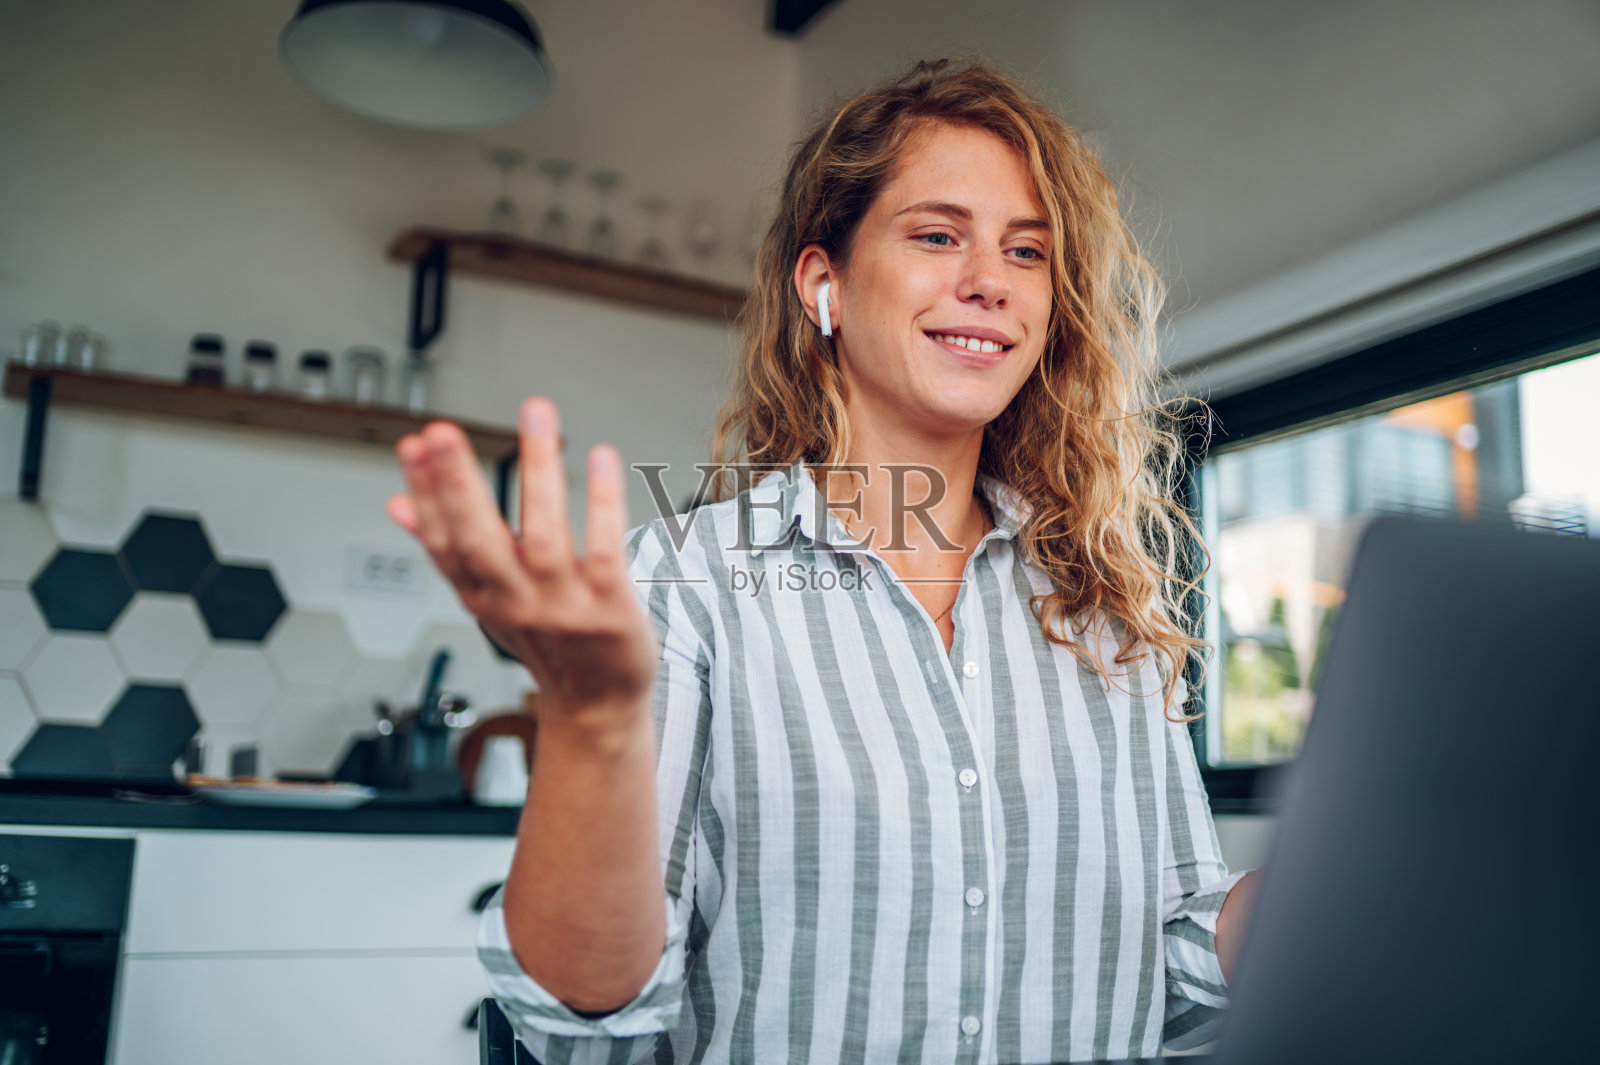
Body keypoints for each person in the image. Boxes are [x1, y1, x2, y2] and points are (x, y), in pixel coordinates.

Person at [388, 59, 1258, 1065]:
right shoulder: (688, 586)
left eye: (1028, 252)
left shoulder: (1103, 607)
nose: (988, 280)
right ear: (823, 284)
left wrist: (1347, 869)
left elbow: (1177, 980)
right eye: (938, 236)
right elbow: (586, 1021)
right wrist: (588, 725)